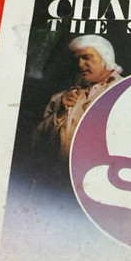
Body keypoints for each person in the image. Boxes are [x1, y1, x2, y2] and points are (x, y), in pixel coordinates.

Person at [33, 34, 123, 166]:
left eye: (86, 57)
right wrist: (60, 114)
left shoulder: (127, 90)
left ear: (106, 58)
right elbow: (35, 143)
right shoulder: (60, 98)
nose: (80, 64)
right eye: (77, 60)